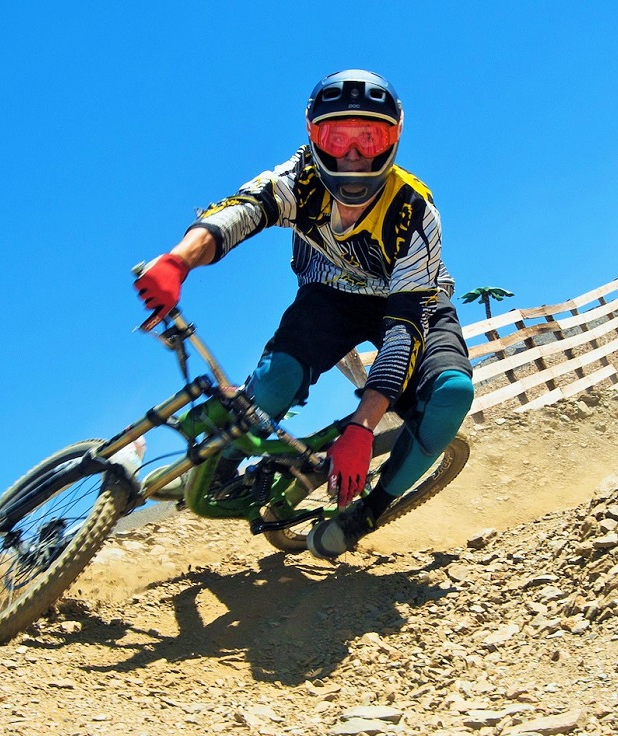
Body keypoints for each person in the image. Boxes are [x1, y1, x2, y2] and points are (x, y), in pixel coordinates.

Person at [134, 69, 474, 559]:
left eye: (369, 136)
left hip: (412, 303)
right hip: (331, 297)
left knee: (451, 394)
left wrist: (361, 427)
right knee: (273, 384)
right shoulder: (299, 179)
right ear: (314, 137)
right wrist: (177, 260)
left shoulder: (415, 212)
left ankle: (368, 511)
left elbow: (403, 330)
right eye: (337, 137)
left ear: (393, 138)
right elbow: (242, 210)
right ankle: (227, 467)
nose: (352, 154)